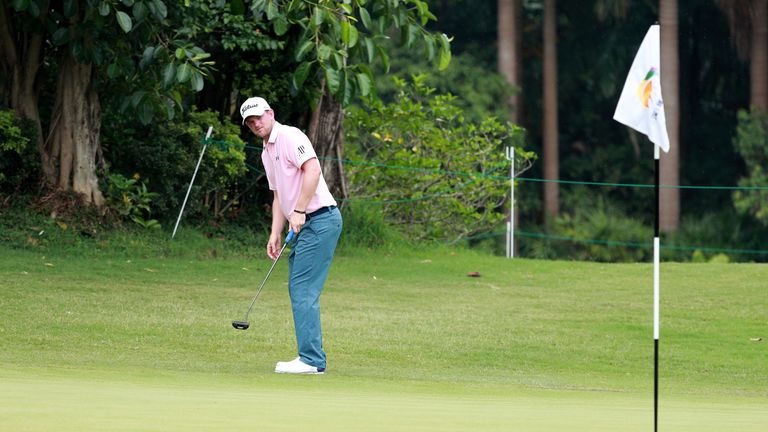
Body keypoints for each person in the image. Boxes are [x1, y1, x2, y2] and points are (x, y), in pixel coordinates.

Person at [240, 96, 343, 375]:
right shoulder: (266, 152)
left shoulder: (289, 136)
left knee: (302, 288)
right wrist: (275, 232)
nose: (256, 124)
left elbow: (313, 169)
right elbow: (278, 195)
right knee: (299, 288)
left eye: (259, 117)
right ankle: (310, 357)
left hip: (320, 219)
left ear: (270, 113)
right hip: (304, 224)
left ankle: (311, 360)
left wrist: (298, 210)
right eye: (250, 122)